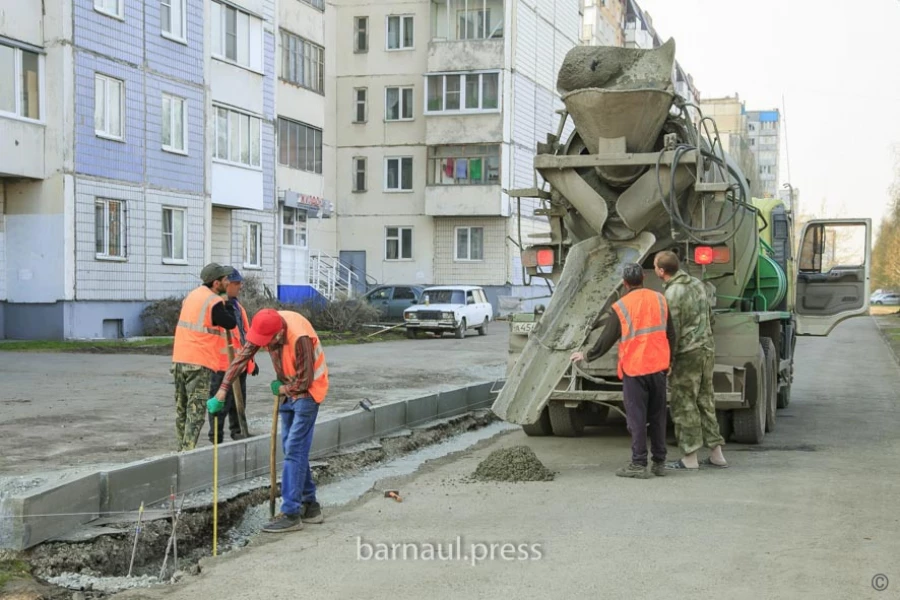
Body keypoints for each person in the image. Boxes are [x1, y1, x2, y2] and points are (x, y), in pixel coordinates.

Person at [209, 308, 328, 532]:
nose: (263, 346)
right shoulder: (266, 325)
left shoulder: (299, 338)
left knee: (294, 449)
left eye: (268, 342)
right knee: (292, 448)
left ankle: (291, 512)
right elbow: (241, 358)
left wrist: (282, 388)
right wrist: (222, 391)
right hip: (287, 390)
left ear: (278, 334)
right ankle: (310, 506)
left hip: (309, 392)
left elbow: (304, 381)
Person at [570, 263, 676, 479]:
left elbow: (607, 339)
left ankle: (638, 464)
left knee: (637, 419)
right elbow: (671, 334)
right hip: (658, 368)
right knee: (658, 417)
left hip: (635, 369)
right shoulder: (660, 300)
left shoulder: (621, 306)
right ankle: (659, 463)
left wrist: (587, 355)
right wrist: (670, 361)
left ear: (625, 283)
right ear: (644, 279)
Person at [653, 250, 728, 470]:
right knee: (706, 401)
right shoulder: (697, 284)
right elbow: (710, 317)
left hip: (687, 354)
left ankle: (690, 458)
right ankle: (717, 454)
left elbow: (672, 331)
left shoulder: (672, 294)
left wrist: (668, 361)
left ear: (661, 271)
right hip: (706, 350)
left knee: (684, 404)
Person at [171, 263, 238, 452]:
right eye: (225, 279)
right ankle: (188, 452)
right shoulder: (213, 301)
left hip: (179, 358)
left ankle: (180, 448)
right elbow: (230, 323)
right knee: (196, 410)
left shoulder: (191, 296)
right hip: (198, 362)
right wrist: (229, 302)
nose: (228, 282)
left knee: (182, 408)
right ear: (216, 283)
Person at [207, 268, 259, 444]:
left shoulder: (237, 307)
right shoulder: (216, 306)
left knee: (239, 401)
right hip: (221, 364)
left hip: (239, 363)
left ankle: (238, 432)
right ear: (226, 284)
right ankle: (216, 438)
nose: (240, 286)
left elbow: (244, 334)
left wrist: (251, 361)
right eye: (236, 283)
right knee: (220, 401)